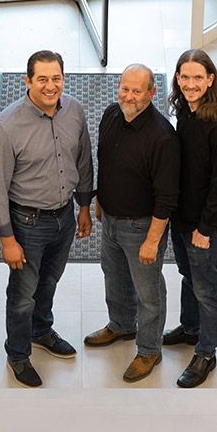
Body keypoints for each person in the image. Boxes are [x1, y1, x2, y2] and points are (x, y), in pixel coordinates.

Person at [0, 50, 94, 388]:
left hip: (64, 216)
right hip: (26, 224)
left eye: (57, 78)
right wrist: (6, 239)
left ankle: (41, 329)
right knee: (22, 294)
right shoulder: (6, 127)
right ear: (27, 81)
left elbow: (84, 158)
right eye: (43, 79)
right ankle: (18, 354)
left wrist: (85, 206)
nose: (51, 86)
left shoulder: (74, 110)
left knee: (49, 281)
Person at [83, 64, 180, 383]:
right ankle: (122, 324)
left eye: (137, 91)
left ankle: (149, 349)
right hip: (110, 218)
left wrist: (153, 241)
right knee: (113, 275)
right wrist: (101, 201)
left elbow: (166, 197)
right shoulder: (112, 114)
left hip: (142, 227)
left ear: (152, 93)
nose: (129, 96)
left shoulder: (162, 137)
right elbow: (105, 161)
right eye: (125, 88)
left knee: (148, 291)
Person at [163, 49, 217, 388]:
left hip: (201, 225)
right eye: (185, 77)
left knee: (206, 286)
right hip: (181, 217)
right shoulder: (186, 110)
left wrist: (205, 229)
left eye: (198, 78)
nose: (190, 84)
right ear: (178, 79)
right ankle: (190, 327)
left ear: (210, 80)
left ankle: (206, 351)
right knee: (187, 275)